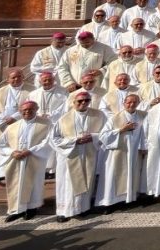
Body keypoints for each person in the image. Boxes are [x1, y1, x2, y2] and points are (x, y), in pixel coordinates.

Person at [52, 91, 106, 222]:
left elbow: (106, 133)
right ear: (73, 102)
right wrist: (74, 141)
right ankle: (64, 212)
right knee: (67, 184)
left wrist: (93, 137)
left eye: (87, 100)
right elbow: (54, 139)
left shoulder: (99, 115)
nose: (83, 103)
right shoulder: (63, 119)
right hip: (69, 156)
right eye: (80, 101)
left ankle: (82, 208)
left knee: (86, 180)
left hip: (88, 154)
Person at [0, 100, 53, 222]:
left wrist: (31, 150)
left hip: (35, 158)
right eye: (24, 110)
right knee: (16, 185)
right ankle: (17, 210)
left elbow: (48, 141)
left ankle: (32, 208)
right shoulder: (12, 127)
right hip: (16, 160)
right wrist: (12, 152)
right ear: (20, 111)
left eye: (30, 109)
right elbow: (2, 145)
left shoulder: (46, 124)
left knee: (33, 183)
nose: (27, 112)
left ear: (36, 110)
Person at [95, 94, 146, 212]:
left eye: (134, 102)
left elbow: (146, 133)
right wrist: (121, 130)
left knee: (131, 175)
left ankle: (127, 199)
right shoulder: (114, 118)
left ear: (138, 103)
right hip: (116, 153)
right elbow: (103, 136)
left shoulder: (143, 116)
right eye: (128, 102)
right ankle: (108, 202)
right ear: (124, 103)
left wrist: (143, 146)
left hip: (134, 153)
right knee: (113, 177)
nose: (131, 104)